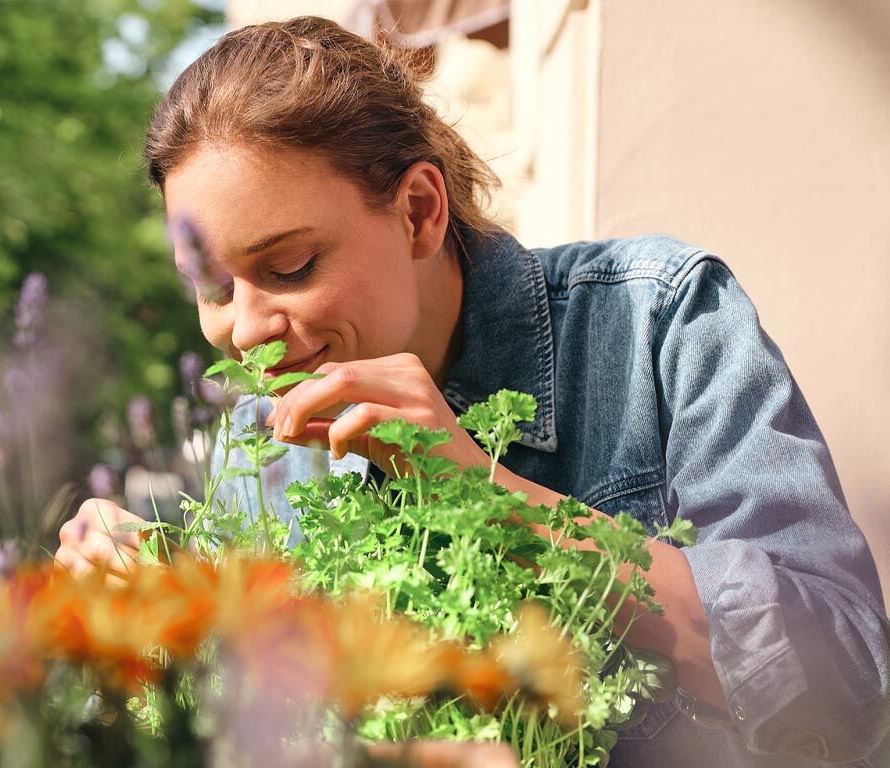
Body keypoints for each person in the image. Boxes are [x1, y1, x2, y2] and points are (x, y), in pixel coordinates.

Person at [54, 15, 890, 767]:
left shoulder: (659, 322)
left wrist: (493, 503)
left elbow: (851, 691)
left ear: (419, 209)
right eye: (211, 288)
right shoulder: (258, 447)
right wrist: (161, 623)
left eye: (289, 268)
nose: (244, 328)